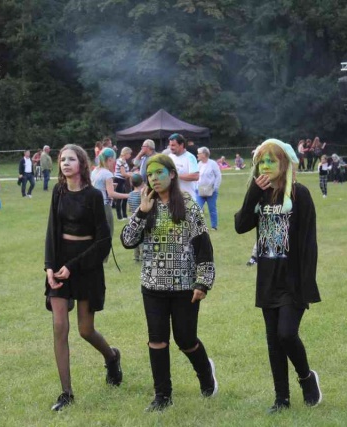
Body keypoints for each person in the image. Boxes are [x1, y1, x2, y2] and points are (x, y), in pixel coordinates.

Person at [120, 154, 218, 412]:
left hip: (185, 286)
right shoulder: (146, 204)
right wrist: (141, 213)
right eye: (150, 174)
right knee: (157, 340)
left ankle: (206, 374)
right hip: (152, 285)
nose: (154, 178)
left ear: (172, 174)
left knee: (186, 340)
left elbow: (203, 246)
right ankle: (162, 395)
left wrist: (203, 282)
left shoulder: (188, 205)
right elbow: (127, 241)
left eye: (159, 173)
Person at [234, 139, 322, 415]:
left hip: (293, 280)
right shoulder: (260, 195)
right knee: (274, 342)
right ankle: (281, 398)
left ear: (284, 164)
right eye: (261, 161)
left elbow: (309, 242)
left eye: (271, 160)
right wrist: (253, 192)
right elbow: (240, 225)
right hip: (267, 280)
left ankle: (306, 378)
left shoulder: (300, 194)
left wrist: (306, 283)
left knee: (287, 334)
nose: (265, 165)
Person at [45, 144, 122, 412]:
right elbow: (51, 230)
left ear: (82, 164)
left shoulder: (93, 196)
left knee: (85, 330)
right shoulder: (58, 191)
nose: (65, 163)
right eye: (62, 159)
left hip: (86, 266)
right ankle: (66, 393)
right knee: (59, 327)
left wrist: (73, 266)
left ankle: (111, 357)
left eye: (71, 159)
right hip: (59, 266)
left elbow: (103, 241)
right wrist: (49, 267)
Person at [90, 148, 130, 240]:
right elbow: (111, 194)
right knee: (107, 234)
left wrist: (110, 185)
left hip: (94, 205)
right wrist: (128, 195)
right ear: (110, 159)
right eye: (114, 160)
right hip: (104, 206)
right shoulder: (107, 174)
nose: (114, 163)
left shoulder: (95, 171)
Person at [196, 147, 222, 230]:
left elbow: (218, 176)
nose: (197, 155)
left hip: (211, 190)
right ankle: (200, 226)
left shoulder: (212, 163)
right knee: (198, 208)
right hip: (200, 190)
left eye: (199, 153)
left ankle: (214, 226)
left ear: (204, 154)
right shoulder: (199, 164)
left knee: (212, 209)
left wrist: (215, 187)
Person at [127, 173, 144, 262]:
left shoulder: (130, 194)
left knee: (135, 238)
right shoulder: (141, 194)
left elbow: (129, 208)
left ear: (131, 183)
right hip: (141, 219)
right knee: (142, 238)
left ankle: (136, 257)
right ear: (142, 183)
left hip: (133, 219)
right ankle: (143, 256)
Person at [114, 147, 133, 220]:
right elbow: (123, 173)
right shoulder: (121, 161)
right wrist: (132, 175)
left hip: (123, 181)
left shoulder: (124, 161)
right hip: (119, 181)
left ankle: (124, 215)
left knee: (125, 198)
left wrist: (131, 173)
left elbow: (126, 173)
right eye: (129, 154)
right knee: (119, 199)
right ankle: (119, 217)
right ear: (126, 153)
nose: (130, 155)